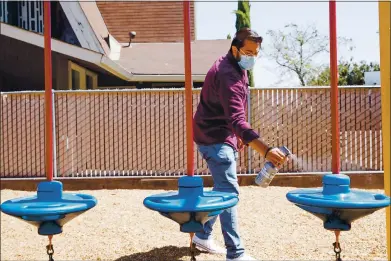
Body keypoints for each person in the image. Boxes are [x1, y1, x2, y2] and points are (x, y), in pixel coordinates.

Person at [192, 27, 289, 261]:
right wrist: (266, 150)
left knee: (222, 188)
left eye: (256, 53)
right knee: (229, 192)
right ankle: (235, 254)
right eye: (248, 52)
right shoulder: (227, 74)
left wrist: (239, 136)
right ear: (234, 49)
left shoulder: (235, 66)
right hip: (214, 137)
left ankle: (202, 235)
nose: (252, 57)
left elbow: (234, 114)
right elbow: (236, 119)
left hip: (219, 133)